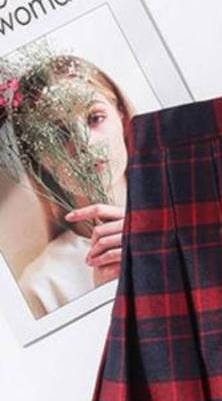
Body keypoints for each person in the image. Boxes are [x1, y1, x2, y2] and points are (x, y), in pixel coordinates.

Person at [16, 54, 135, 318]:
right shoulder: (41, 286)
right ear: (38, 159)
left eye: (95, 118)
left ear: (122, 116)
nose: (84, 143)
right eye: (59, 134)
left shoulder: (193, 207)